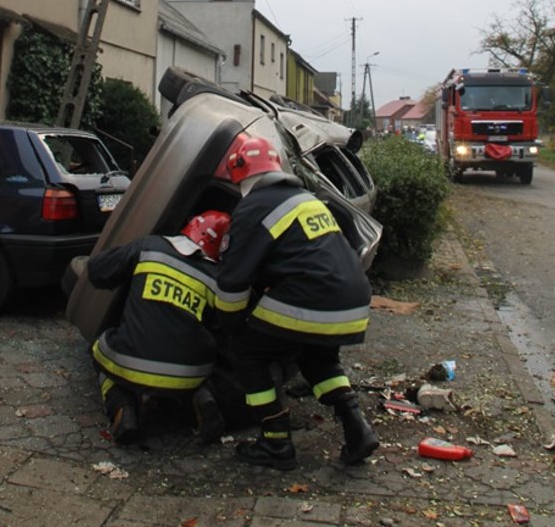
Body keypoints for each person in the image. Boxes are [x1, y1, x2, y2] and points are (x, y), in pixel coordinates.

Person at [215, 135, 379, 471]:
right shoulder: (307, 198)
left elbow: (233, 282)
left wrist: (228, 326)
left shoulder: (253, 206)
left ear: (239, 173)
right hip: (354, 301)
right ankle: (358, 430)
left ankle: (275, 443)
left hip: (312, 298)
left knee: (248, 351)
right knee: (315, 355)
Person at [88, 210, 231, 446]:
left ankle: (122, 407)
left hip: (131, 363)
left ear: (191, 226)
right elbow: (222, 330)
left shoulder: (150, 247)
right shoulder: (217, 279)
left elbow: (98, 271)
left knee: (98, 347)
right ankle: (201, 394)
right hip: (191, 374)